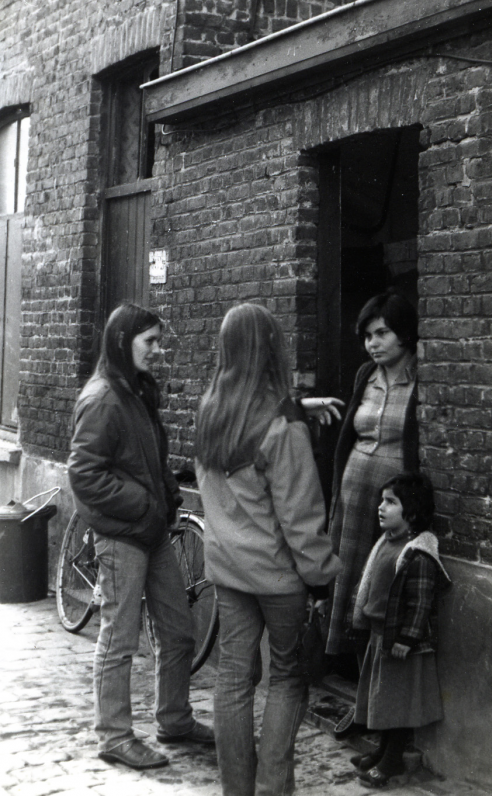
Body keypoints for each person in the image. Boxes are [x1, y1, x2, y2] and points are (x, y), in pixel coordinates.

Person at [194, 302, 342, 796]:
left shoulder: (210, 412)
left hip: (228, 573)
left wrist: (299, 404)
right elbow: (301, 519)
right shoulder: (282, 427)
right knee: (287, 680)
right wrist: (322, 578)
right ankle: (274, 789)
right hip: (280, 580)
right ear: (271, 347)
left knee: (234, 680)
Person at [67, 303, 215, 771]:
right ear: (121, 341)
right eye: (149, 341)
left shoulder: (135, 391)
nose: (158, 349)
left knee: (177, 632)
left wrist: (168, 495)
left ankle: (174, 718)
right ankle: (113, 735)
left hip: (152, 533)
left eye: (159, 340)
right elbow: (84, 476)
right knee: (120, 637)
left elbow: (150, 457)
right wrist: (144, 505)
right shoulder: (103, 399)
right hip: (121, 538)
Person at [326, 288, 419, 659]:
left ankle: (373, 658)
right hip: (354, 490)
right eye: (368, 336)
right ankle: (342, 653)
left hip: (393, 500)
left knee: (382, 572)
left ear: (405, 334)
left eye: (382, 333)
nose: (373, 344)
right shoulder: (366, 375)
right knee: (347, 569)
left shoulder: (420, 377)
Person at [350, 473, 451, 788]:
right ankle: (382, 751)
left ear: (412, 512)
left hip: (398, 642)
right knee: (382, 701)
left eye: (391, 502)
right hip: (380, 635)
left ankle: (392, 761)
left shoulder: (416, 554)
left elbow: (421, 602)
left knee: (395, 704)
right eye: (382, 500)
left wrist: (407, 639)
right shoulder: (387, 542)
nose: (381, 507)